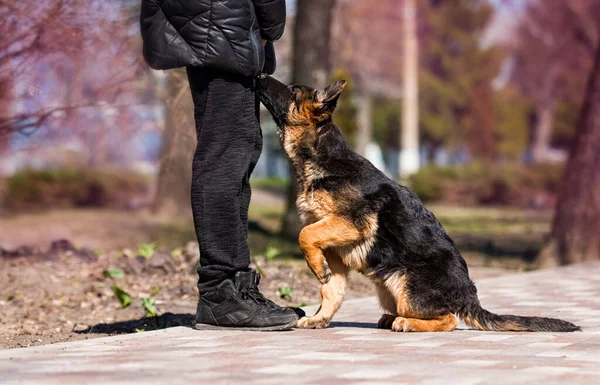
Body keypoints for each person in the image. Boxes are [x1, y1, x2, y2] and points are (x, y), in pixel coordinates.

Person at [140, 0, 301, 330]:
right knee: (226, 160)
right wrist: (271, 27)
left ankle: (236, 287)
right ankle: (220, 294)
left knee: (233, 156)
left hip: (211, 23)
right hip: (225, 25)